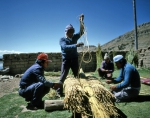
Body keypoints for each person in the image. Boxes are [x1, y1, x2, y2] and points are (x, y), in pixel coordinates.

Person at [57, 14, 85, 96]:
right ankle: (59, 91)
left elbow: (82, 32)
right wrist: (76, 45)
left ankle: (81, 90)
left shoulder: (74, 38)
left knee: (77, 74)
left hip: (74, 59)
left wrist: (81, 22)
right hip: (66, 60)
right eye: (70, 31)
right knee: (63, 75)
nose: (72, 33)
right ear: (66, 32)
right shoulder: (62, 39)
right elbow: (65, 47)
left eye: (72, 31)